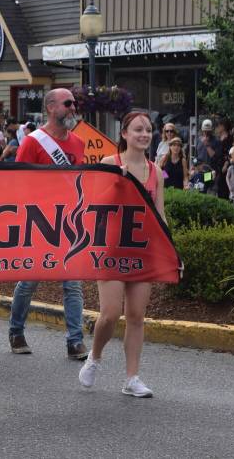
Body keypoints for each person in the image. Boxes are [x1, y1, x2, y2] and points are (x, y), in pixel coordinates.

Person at [80, 111, 163, 398]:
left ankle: (132, 378)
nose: (144, 135)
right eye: (138, 130)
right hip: (111, 248)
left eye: (148, 130)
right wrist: (117, 182)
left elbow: (160, 216)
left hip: (142, 250)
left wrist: (171, 252)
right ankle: (95, 356)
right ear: (125, 134)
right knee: (111, 313)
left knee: (137, 315)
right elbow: (94, 206)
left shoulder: (156, 172)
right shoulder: (108, 164)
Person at [8, 88, 88, 360]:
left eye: (74, 103)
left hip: (70, 222)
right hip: (39, 222)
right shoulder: (32, 142)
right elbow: (18, 182)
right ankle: (16, 330)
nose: (73, 108)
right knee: (29, 281)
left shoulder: (78, 143)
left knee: (73, 284)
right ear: (51, 107)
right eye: (68, 103)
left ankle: (75, 340)